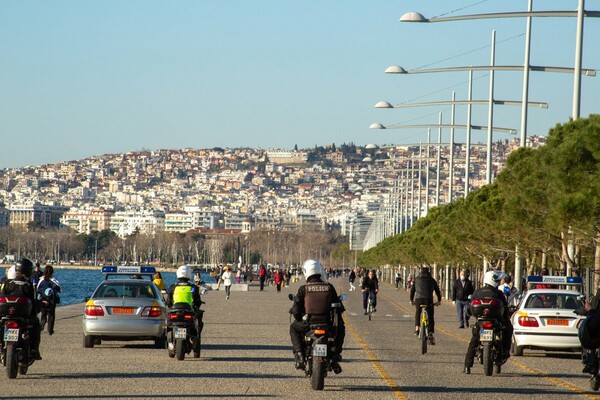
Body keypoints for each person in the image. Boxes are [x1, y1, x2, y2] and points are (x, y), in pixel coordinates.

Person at [289, 259, 346, 374]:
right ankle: (335, 356)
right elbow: (339, 307)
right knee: (341, 328)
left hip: (308, 325)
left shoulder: (303, 289)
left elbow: (296, 310)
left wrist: (298, 317)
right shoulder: (329, 287)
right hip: (327, 325)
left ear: (306, 272)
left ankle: (299, 354)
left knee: (293, 328)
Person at [463, 270, 513, 374]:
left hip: (481, 322)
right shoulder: (498, 293)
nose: (500, 282)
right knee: (508, 328)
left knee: (474, 341)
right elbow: (505, 309)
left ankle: (467, 366)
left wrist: (467, 318)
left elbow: (469, 308)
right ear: (493, 281)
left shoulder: (477, 292)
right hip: (495, 322)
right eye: (498, 280)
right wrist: (506, 319)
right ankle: (505, 351)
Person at [0, 258, 42, 360]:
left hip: (7, 315)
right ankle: (34, 349)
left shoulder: (8, 283)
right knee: (36, 325)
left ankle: (1, 348)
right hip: (23, 317)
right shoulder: (29, 285)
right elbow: (33, 301)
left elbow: (2, 297)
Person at [166, 265, 204, 335]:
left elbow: (168, 301)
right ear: (189, 274)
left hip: (175, 310)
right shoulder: (193, 287)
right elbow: (197, 301)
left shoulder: (173, 287)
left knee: (166, 320)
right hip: (188, 309)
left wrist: (170, 306)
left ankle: (167, 337)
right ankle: (197, 335)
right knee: (200, 317)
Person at [410, 267, 441, 343]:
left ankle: (417, 329)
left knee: (418, 312)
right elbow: (437, 291)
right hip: (428, 299)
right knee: (430, 315)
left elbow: (412, 290)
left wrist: (411, 300)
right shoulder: (432, 280)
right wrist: (439, 300)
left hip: (418, 299)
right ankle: (430, 332)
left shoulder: (417, 279)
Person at [37, 265, 61, 335]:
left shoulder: (41, 280)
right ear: (52, 272)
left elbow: (38, 290)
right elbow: (59, 289)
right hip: (51, 301)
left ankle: (42, 325)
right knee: (51, 315)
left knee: (43, 314)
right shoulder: (54, 280)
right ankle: (50, 330)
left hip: (43, 300)